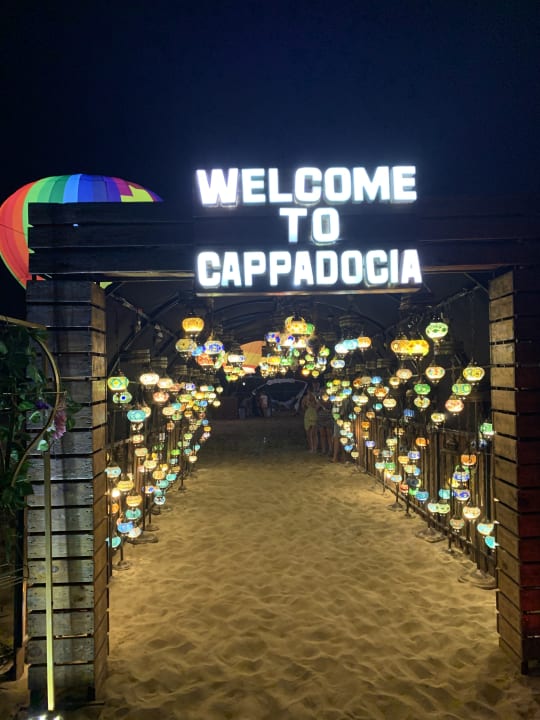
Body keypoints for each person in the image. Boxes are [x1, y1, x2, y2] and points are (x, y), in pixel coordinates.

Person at [301, 386, 319, 452]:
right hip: (308, 414)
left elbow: (317, 407)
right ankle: (311, 447)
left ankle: (315, 448)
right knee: (308, 432)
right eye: (308, 392)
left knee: (314, 433)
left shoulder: (316, 398)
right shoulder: (305, 398)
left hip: (314, 414)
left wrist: (313, 401)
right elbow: (302, 406)